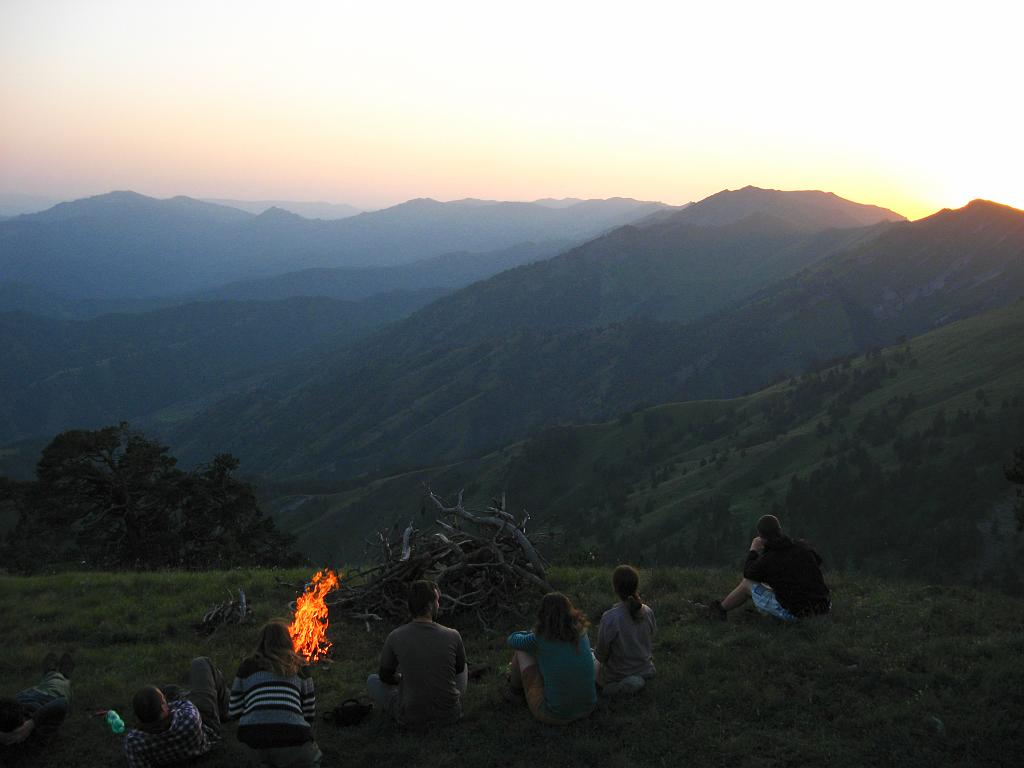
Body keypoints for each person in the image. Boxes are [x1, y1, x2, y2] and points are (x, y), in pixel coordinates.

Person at [367, 580, 468, 727]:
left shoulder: (395, 636)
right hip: (450, 715)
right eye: (437, 601)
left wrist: (400, 679)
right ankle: (450, 699)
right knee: (464, 665)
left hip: (410, 717)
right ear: (429, 606)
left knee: (372, 681)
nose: (438, 605)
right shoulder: (453, 635)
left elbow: (384, 676)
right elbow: (458, 670)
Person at [229, 620, 320, 767]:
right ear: (288, 641)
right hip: (294, 741)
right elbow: (309, 714)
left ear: (261, 642)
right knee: (314, 760)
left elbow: (234, 711)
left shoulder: (247, 666)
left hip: (254, 741)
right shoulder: (301, 667)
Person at [713, 514, 831, 621]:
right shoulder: (802, 546)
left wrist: (753, 551)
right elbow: (818, 562)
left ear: (761, 536)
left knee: (746, 584)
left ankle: (719, 610)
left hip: (799, 616)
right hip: (824, 608)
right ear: (780, 530)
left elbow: (748, 574)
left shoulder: (769, 558)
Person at [507, 592, 597, 724]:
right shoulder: (580, 631)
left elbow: (512, 640)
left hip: (555, 715)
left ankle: (515, 691)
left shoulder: (540, 638)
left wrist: (528, 633)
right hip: (588, 707)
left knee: (522, 651)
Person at [123, 656, 229, 768]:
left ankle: (220, 699)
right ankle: (230, 706)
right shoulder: (188, 720)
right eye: (164, 701)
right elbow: (184, 704)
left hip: (183, 741)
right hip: (206, 724)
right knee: (200, 663)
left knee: (170, 689)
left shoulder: (133, 742)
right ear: (163, 707)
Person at [595, 565, 657, 696]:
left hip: (617, 674)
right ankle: (635, 681)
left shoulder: (610, 618)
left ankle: (618, 686)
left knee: (591, 659)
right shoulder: (648, 611)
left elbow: (600, 655)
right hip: (646, 669)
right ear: (636, 586)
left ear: (615, 588)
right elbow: (652, 636)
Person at [0, 652, 74, 748]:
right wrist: (32, 723)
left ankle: (50, 672)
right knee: (59, 683)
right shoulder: (40, 727)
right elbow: (61, 702)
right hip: (50, 695)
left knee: (44, 684)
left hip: (26, 696)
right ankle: (63, 674)